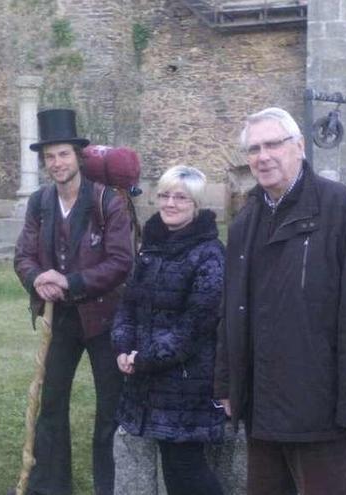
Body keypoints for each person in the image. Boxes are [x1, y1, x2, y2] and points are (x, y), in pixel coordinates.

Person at [213, 107, 346, 495]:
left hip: (321, 407)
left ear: (298, 147)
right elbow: (232, 310)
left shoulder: (341, 209)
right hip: (261, 404)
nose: (263, 156)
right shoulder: (246, 222)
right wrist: (228, 384)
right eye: (254, 149)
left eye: (273, 144)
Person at [13, 108, 134, 495]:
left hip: (105, 318)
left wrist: (70, 280)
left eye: (63, 154)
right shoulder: (40, 202)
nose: (57, 163)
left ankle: (110, 486)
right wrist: (37, 280)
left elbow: (120, 262)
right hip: (59, 319)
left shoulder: (107, 202)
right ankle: (50, 486)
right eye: (49, 156)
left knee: (110, 409)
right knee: (50, 404)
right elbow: (23, 256)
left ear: (78, 156)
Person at [111, 165, 225, 495]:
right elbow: (128, 305)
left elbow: (195, 326)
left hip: (187, 382)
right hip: (150, 377)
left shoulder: (209, 255)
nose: (170, 203)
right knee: (175, 468)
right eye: (164, 195)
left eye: (181, 197)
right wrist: (122, 347)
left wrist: (143, 357)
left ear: (197, 205)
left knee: (187, 467)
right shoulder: (151, 248)